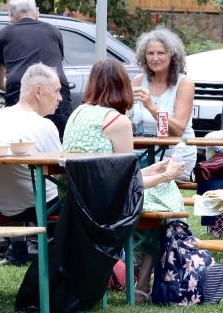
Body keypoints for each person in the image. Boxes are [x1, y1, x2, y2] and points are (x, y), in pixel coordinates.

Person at [63, 58, 186, 300]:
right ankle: (143, 283)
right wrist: (166, 176)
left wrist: (153, 170)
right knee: (169, 201)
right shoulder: (117, 121)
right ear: (122, 86)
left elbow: (116, 174)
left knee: (163, 194)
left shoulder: (78, 113)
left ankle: (135, 274)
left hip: (75, 198)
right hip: (103, 206)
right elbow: (128, 184)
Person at [0, 63, 62, 220]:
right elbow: (61, 174)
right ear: (38, 91)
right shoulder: (44, 126)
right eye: (57, 91)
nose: (60, 98)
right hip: (41, 206)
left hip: (5, 208)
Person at [0, 0, 72, 134]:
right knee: (59, 139)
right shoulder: (54, 32)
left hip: (20, 96)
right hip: (57, 96)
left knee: (22, 142)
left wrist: (26, 87)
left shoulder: (3, 35)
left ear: (11, 18)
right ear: (37, 13)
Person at [131, 27, 197, 180]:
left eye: (161, 53)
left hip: (175, 155)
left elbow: (177, 131)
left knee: (134, 180)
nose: (155, 58)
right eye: (150, 53)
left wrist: (152, 107)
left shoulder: (184, 83)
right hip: (141, 153)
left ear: (172, 56)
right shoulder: (139, 81)